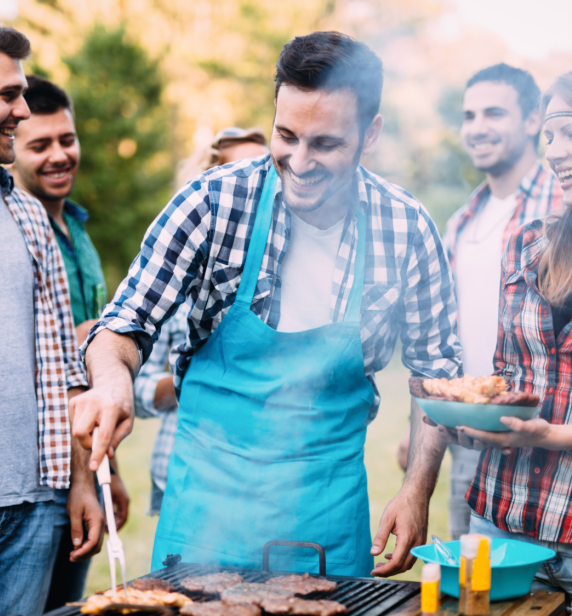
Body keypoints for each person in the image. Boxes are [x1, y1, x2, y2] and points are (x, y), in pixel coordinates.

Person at [73, 31, 462, 578]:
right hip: (205, 509)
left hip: (325, 514)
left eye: (325, 143)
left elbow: (435, 374)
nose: (299, 162)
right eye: (286, 135)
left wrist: (417, 491)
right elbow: (123, 326)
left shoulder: (407, 228)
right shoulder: (211, 201)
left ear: (370, 133)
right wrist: (112, 381)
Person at [0, 17, 102, 616]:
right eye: (7, 94)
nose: (21, 108)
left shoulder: (27, 215)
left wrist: (80, 482)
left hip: (37, 510)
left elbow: (62, 368)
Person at [396, 64, 563, 540]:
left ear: (533, 120)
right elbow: (445, 335)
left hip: (542, 430)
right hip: (465, 431)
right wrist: (426, 423)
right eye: (469, 115)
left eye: (494, 112)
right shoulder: (463, 220)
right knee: (475, 581)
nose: (477, 128)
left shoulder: (561, 201)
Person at [436, 70, 572, 595]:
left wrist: (554, 435)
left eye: (569, 133)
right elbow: (508, 371)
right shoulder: (526, 244)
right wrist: (464, 411)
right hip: (501, 513)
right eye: (551, 138)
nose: (557, 152)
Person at [8, 74, 129, 610]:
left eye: (67, 139)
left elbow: (96, 372)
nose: (60, 156)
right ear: (10, 147)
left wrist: (109, 475)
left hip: (85, 469)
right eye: (40, 145)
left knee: (66, 606)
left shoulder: (79, 231)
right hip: (31, 479)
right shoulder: (10, 230)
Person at [134, 127, 269, 515]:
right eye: (240, 172)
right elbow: (135, 389)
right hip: (182, 473)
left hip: (259, 478)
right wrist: (195, 381)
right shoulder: (173, 282)